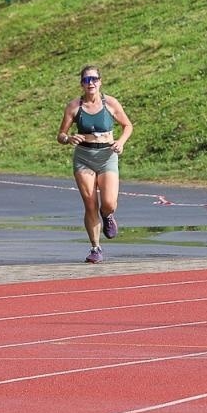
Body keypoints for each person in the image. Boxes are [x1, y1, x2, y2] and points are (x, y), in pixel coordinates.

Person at [55, 64, 134, 264]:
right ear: (81, 84)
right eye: (86, 80)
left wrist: (121, 142)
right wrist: (68, 138)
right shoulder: (74, 106)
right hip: (84, 157)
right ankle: (95, 247)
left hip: (107, 156)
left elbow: (127, 125)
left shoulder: (110, 103)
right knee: (90, 204)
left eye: (94, 79)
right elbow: (61, 135)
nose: (90, 83)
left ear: (100, 82)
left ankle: (107, 216)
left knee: (108, 203)